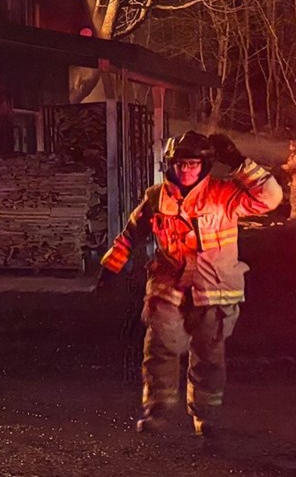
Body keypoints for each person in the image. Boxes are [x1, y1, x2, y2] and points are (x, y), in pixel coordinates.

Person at [98, 130, 283, 437]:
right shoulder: (155, 197)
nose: (186, 170)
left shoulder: (225, 194)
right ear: (170, 164)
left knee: (209, 355)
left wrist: (239, 163)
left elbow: (271, 197)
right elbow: (131, 234)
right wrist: (111, 267)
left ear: (205, 165)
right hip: (168, 287)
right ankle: (156, 412)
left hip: (215, 291)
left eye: (193, 164)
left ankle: (205, 417)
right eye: (181, 163)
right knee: (160, 348)